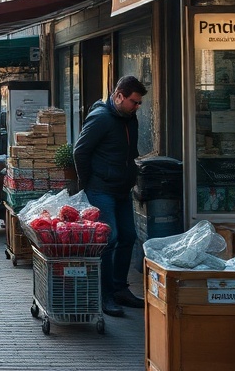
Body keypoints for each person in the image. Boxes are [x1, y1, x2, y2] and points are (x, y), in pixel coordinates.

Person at [72, 74, 147, 318]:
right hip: (101, 189)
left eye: (139, 103)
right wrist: (87, 184)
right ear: (118, 96)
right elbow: (80, 152)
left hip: (121, 190)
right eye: (134, 102)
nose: (137, 107)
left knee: (128, 236)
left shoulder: (129, 118)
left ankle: (120, 288)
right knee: (109, 238)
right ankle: (104, 295)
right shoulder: (100, 118)